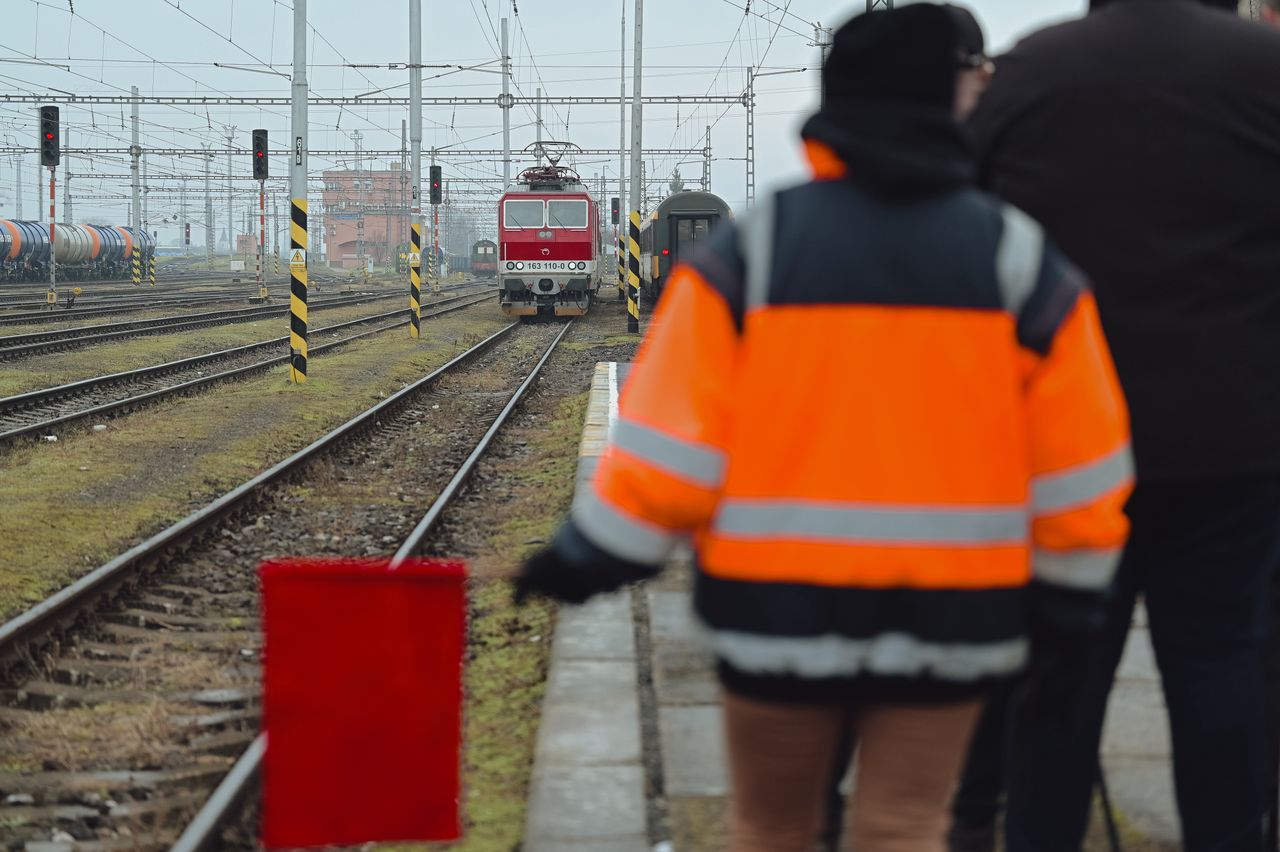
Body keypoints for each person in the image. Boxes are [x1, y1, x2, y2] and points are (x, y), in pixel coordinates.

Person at [515, 5, 1133, 850]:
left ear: (835, 102)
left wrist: (593, 553)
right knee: (908, 822)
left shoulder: (754, 250)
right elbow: (1084, 465)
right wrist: (1069, 609)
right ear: (954, 104)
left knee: (771, 825)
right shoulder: (1019, 259)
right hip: (954, 616)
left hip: (777, 612)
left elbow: (670, 443)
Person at [962, 1, 1280, 849]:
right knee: (1219, 661)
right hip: (1235, 436)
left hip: (1063, 441)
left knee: (1058, 667)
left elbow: (966, 227)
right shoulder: (1263, 67)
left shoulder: (1032, 69)